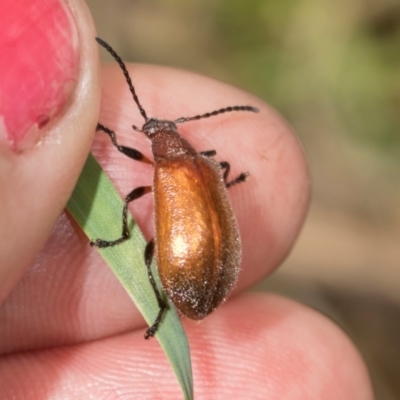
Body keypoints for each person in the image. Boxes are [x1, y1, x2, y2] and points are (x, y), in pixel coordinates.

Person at [0, 0, 374, 398]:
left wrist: (110, 140)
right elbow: (212, 172)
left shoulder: (171, 170)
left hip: (194, 273)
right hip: (207, 263)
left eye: (156, 132)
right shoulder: (201, 163)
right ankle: (162, 301)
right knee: (204, 180)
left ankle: (160, 305)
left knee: (142, 241)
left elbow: (131, 200)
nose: (152, 130)